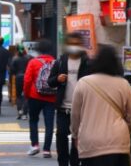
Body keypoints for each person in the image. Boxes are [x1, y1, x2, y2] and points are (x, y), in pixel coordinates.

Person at [71, 45, 131, 166]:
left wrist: (75, 135)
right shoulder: (123, 84)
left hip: (90, 142)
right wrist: (124, 129)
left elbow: (75, 115)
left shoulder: (83, 83)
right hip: (118, 142)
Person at [48, 32, 92, 166]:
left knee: (77, 139)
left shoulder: (87, 62)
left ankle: (75, 163)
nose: (74, 46)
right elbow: (50, 81)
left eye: (77, 44)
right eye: (72, 43)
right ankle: (62, 162)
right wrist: (57, 79)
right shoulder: (61, 61)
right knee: (61, 135)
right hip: (63, 108)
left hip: (81, 109)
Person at [24, 39, 56, 158]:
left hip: (34, 96)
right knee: (49, 124)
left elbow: (27, 80)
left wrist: (26, 95)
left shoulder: (33, 62)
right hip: (51, 97)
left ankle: (35, 145)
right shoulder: (55, 62)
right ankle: (47, 150)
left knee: (33, 120)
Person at [10, 44, 31, 120]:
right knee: (26, 95)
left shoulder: (14, 59)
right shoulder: (28, 58)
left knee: (18, 96)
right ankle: (25, 114)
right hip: (27, 77)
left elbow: (12, 70)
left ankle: (19, 112)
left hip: (18, 77)